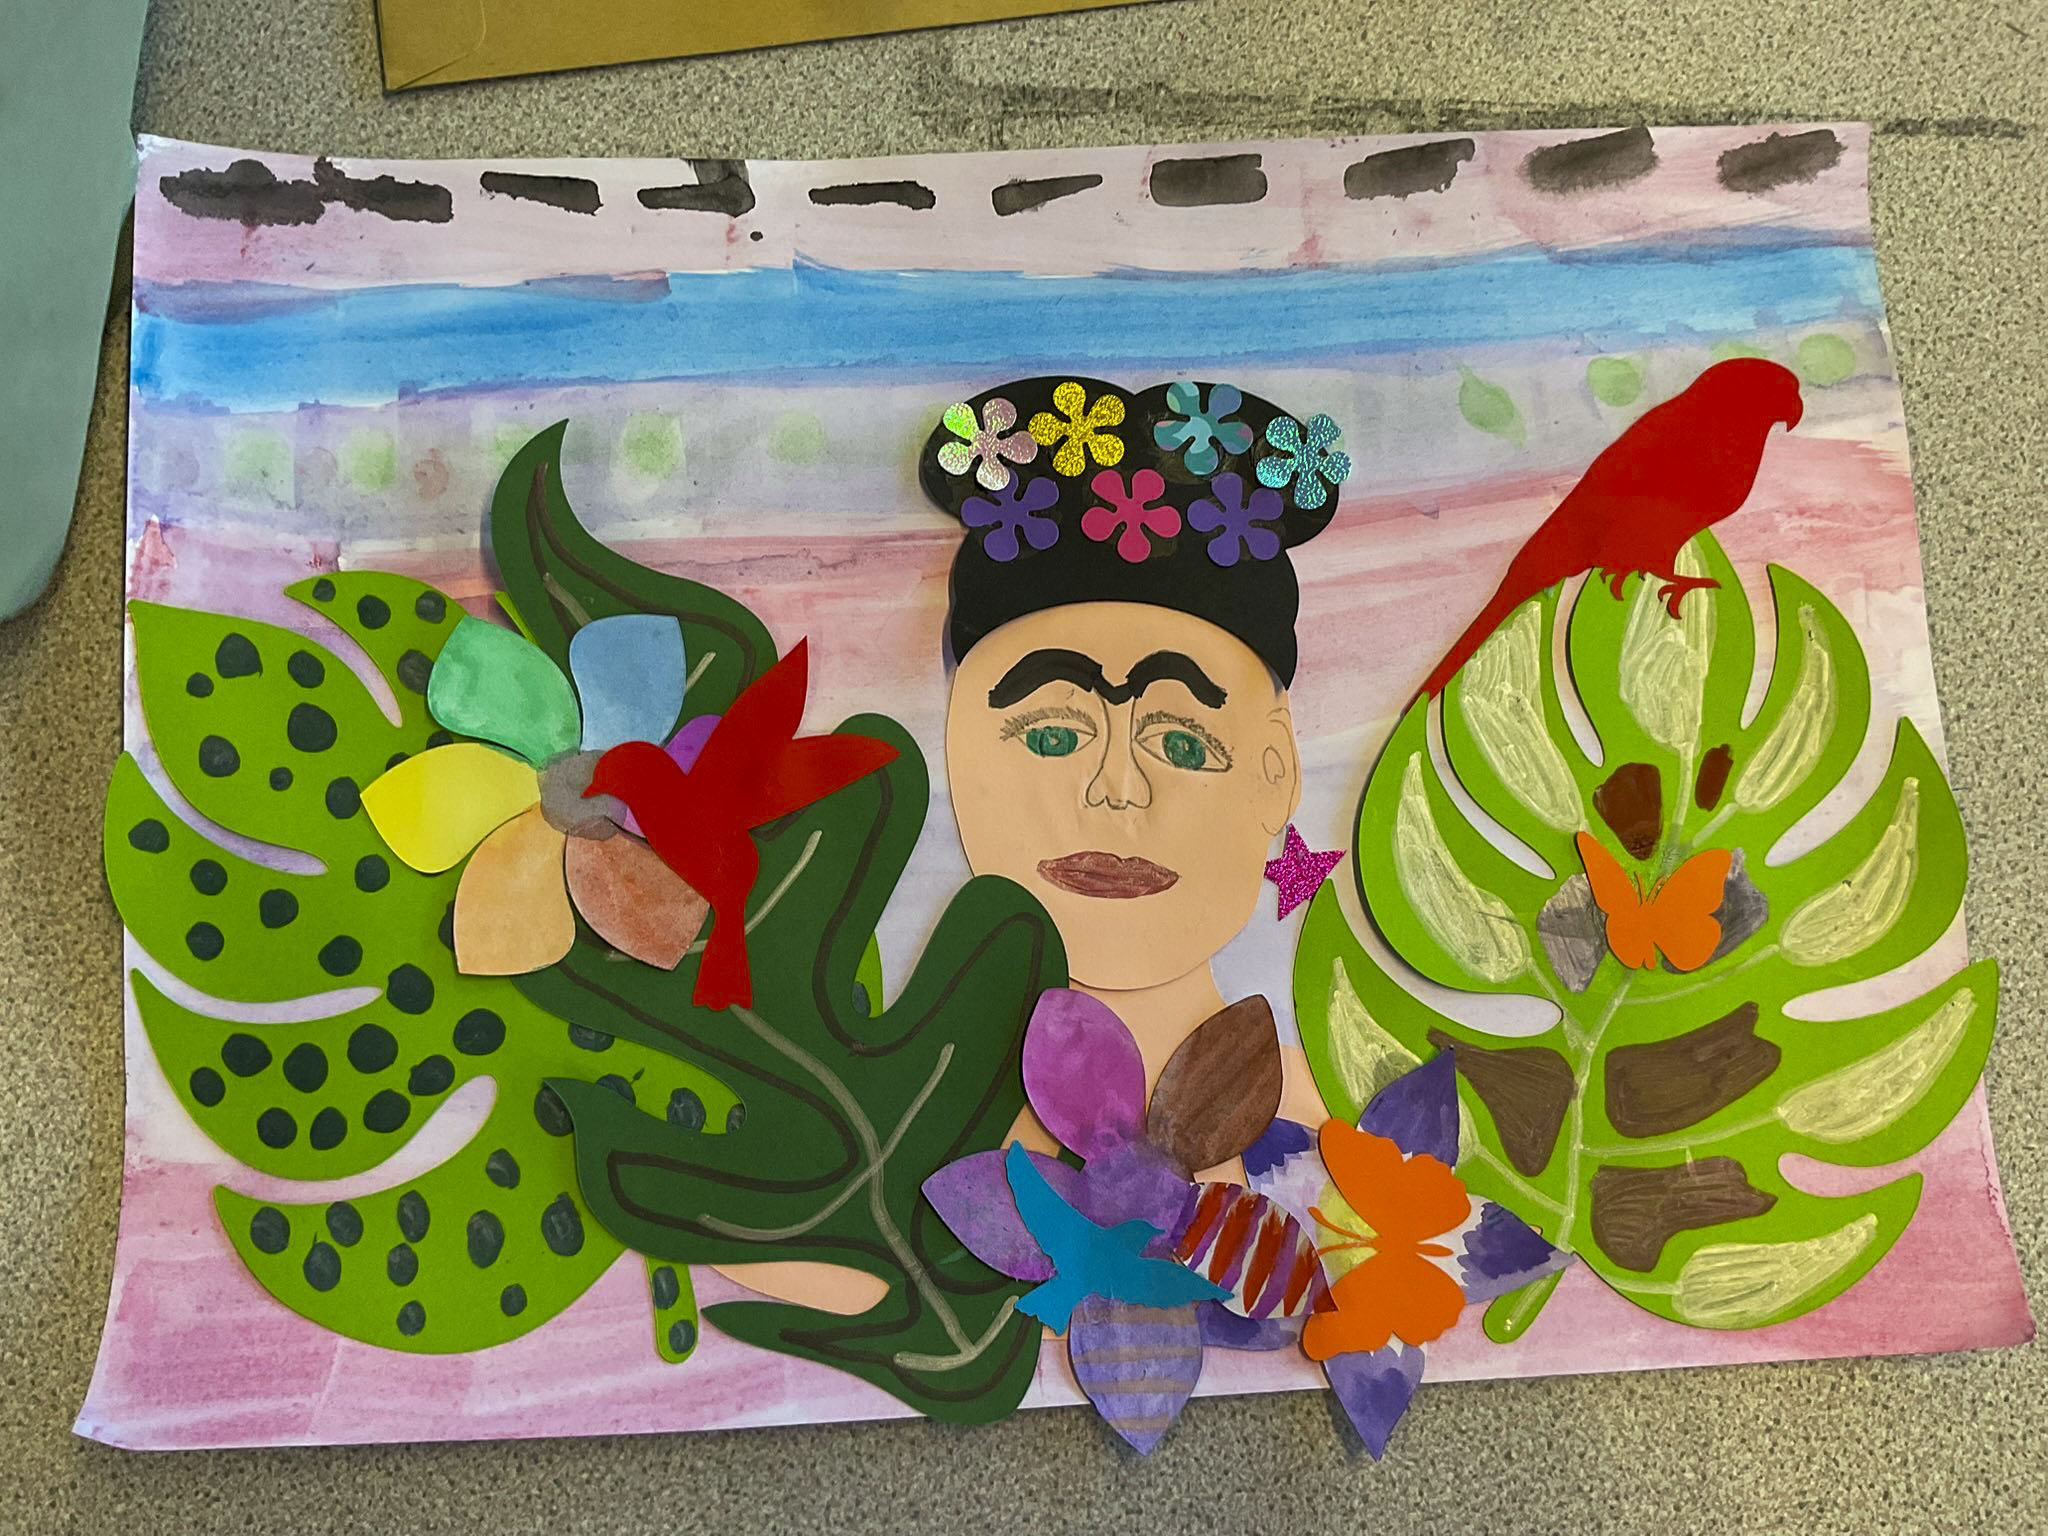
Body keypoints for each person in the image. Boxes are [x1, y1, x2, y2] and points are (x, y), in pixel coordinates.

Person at [925, 375, 1341, 1165]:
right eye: (1053, 736)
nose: (1116, 788)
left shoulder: (1337, 1152)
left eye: (1181, 745)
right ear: (955, 746)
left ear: (1277, 771)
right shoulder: (917, 1134)